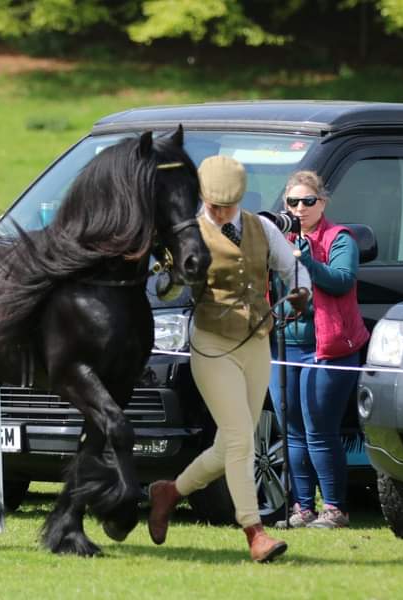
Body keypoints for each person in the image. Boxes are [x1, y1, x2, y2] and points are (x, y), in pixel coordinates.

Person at [146, 155, 311, 563]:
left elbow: (293, 268)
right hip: (211, 343)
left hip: (257, 341)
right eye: (215, 204)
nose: (221, 212)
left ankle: (170, 491)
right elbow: (164, 291)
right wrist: (171, 278)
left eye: (229, 205)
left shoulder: (262, 227)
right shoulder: (189, 233)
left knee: (229, 446)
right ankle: (254, 531)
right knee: (241, 438)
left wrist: (301, 291)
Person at [269, 171, 369, 529]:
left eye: (307, 201)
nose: (299, 208)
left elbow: (342, 281)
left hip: (329, 348)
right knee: (292, 431)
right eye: (292, 202)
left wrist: (306, 260)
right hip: (284, 345)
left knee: (319, 429)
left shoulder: (339, 238)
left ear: (322, 202)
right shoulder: (278, 238)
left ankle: (335, 509)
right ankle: (302, 508)